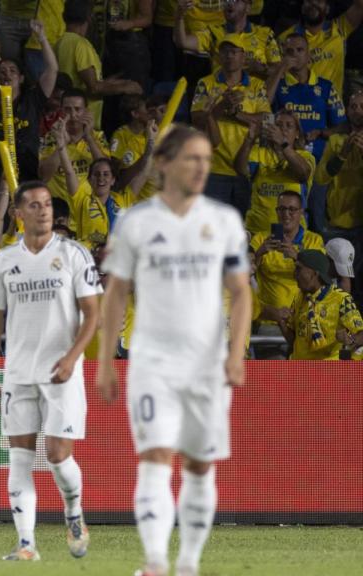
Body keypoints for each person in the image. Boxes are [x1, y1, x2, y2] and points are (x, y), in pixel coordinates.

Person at [98, 126, 253, 576]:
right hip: (153, 362)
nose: (202, 167)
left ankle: (188, 564)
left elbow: (241, 293)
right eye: (192, 158)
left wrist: (236, 355)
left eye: (206, 158)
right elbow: (116, 293)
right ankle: (154, 562)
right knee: (156, 456)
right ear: (164, 164)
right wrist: (106, 361)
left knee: (201, 465)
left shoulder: (224, 221)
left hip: (207, 365)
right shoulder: (136, 222)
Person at [0, 179, 100, 561]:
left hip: (62, 373)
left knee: (57, 456)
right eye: (33, 205)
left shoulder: (74, 254)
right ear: (18, 214)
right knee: (19, 456)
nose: (43, 210)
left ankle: (74, 511)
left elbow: (93, 314)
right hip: (18, 373)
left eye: (47, 204)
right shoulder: (4, 260)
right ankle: (26, 543)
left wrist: (71, 357)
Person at [0, 20, 58, 214]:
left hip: (28, 172)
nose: (7, 74)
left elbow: (52, 70)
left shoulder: (33, 99)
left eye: (12, 71)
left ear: (21, 78)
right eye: (2, 72)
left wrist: (42, 38)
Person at [191, 35, 270, 216]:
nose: (229, 56)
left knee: (243, 229)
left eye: (234, 52)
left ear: (243, 57)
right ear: (218, 56)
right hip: (214, 168)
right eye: (225, 52)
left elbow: (266, 119)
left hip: (247, 167)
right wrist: (221, 106)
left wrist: (236, 114)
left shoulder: (257, 85)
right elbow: (196, 120)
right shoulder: (206, 83)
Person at [250, 192, 325, 351]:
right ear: (276, 211)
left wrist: (297, 256)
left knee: (307, 372)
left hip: (306, 321)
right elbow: (245, 275)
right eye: (282, 209)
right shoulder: (260, 239)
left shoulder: (314, 241)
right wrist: (259, 253)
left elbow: (319, 278)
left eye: (292, 209)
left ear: (301, 213)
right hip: (271, 322)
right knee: (276, 372)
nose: (286, 214)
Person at [55, 0, 142, 130]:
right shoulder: (81, 45)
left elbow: (77, 82)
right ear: (89, 18)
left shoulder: (60, 42)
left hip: (69, 118)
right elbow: (93, 88)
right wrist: (124, 87)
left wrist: (108, 82)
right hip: (84, 123)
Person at [267, 33, 346, 166]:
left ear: (309, 55)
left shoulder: (326, 87)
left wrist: (322, 132)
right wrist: (280, 69)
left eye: (300, 50)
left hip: (317, 161)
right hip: (281, 161)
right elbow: (263, 105)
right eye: (289, 51)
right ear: (283, 56)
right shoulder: (276, 84)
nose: (294, 54)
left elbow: (343, 125)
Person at [234, 111, 315, 235]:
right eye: (279, 125)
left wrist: (283, 143)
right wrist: (249, 139)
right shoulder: (259, 153)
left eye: (289, 126)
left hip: (292, 234)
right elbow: (240, 169)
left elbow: (303, 173)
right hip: (257, 232)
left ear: (297, 134)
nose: (283, 129)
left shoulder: (305, 156)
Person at [280, 249, 363, 359]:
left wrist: (351, 340)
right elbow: (294, 341)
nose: (295, 274)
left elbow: (361, 333)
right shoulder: (299, 298)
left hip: (327, 372)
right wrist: (281, 323)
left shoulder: (341, 299)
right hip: (300, 371)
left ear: (314, 273)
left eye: (298, 269)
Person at [38, 90, 109, 213]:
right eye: (67, 110)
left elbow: (108, 171)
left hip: (90, 211)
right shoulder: (50, 137)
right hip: (59, 213)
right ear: (61, 111)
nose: (73, 115)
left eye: (77, 109)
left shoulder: (97, 137)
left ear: (86, 111)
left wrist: (89, 138)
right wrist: (62, 143)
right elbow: (44, 175)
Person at [173, 0, 280, 78]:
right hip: (221, 95)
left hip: (255, 101)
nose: (229, 4)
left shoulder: (265, 34)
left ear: (248, 7)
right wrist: (179, 17)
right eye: (226, 1)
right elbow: (183, 42)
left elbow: (280, 73)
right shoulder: (213, 33)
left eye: (235, 0)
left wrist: (262, 69)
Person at [278, 0, 363, 97]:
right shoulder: (286, 39)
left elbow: (360, 5)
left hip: (332, 107)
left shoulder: (339, 29)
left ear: (327, 9)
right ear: (302, 8)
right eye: (309, 1)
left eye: (319, 1)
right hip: (300, 105)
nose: (313, 3)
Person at [315, 91, 363, 240]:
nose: (358, 111)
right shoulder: (335, 140)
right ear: (347, 111)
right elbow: (321, 178)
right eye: (353, 107)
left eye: (362, 106)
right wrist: (342, 155)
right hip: (338, 223)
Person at [110, 93, 167, 190]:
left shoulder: (152, 131)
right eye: (146, 107)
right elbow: (117, 174)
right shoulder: (121, 135)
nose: (150, 111)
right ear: (135, 114)